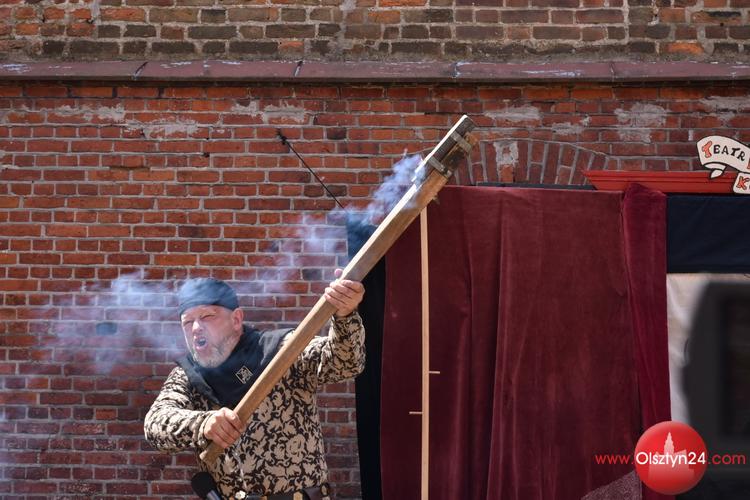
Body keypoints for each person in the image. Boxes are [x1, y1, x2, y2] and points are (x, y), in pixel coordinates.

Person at [144, 270, 365, 500]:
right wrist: (203, 423)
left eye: (207, 316)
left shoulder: (281, 350)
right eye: (187, 322)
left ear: (236, 319)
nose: (196, 328)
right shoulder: (188, 376)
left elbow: (346, 363)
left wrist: (345, 316)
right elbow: (155, 423)